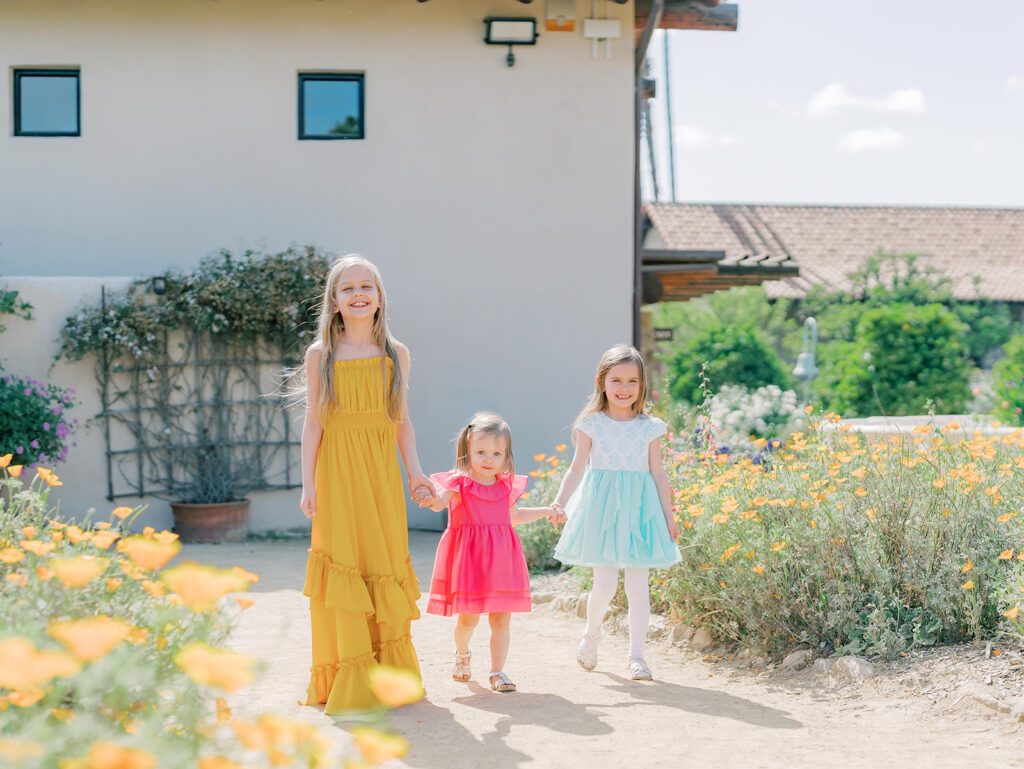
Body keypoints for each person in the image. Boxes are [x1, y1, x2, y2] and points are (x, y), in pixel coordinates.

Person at [298, 254, 432, 713]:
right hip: (336, 473)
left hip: (379, 474)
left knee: (381, 559)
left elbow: (401, 421)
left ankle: (389, 677)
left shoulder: (397, 354)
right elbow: (313, 423)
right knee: (344, 561)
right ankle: (348, 675)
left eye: (366, 287)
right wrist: (307, 484)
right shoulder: (321, 355)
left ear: (379, 298)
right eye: (348, 288)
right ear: (334, 302)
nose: (358, 294)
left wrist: (414, 472)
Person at [550, 345, 680, 681]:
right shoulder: (591, 424)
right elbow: (577, 469)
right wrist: (560, 502)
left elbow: (658, 473)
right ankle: (591, 635)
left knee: (639, 586)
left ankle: (636, 656)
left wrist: (669, 517)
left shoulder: (648, 427)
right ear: (602, 382)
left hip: (640, 511)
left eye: (632, 381)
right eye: (617, 380)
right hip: (602, 510)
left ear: (642, 385)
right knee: (605, 585)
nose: (625, 388)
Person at [420, 412, 563, 693]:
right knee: (469, 619)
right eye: (481, 451)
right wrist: (430, 499)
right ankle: (462, 653)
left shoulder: (505, 485)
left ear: (506, 456)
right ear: (467, 451)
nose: (488, 459)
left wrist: (547, 510)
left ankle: (497, 671)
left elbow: (516, 515)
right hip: (470, 561)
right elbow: (440, 503)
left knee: (501, 618)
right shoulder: (458, 483)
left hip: (501, 560)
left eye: (497, 453)